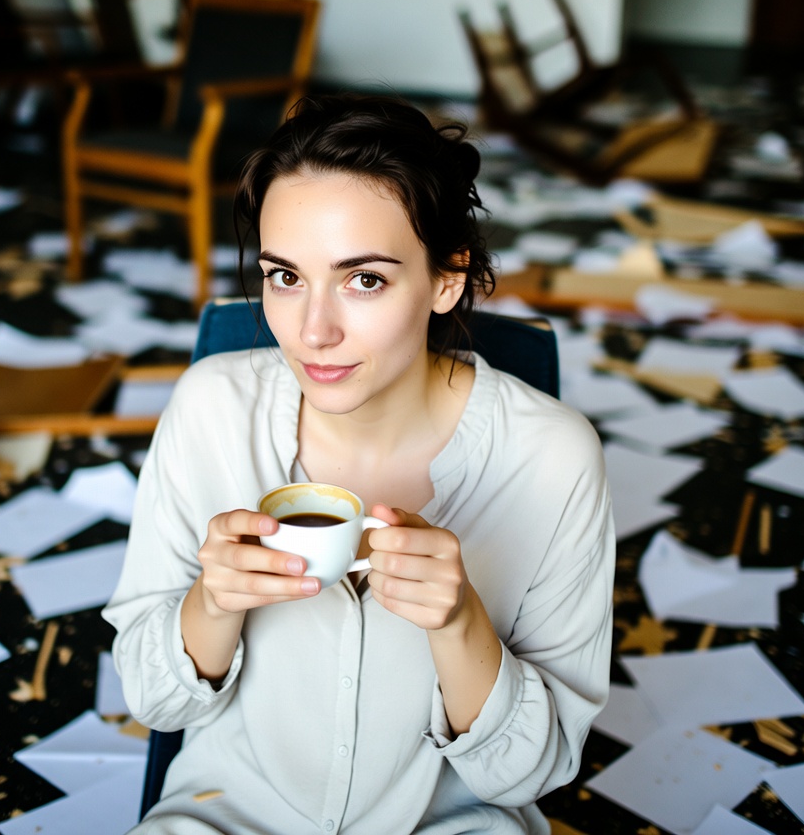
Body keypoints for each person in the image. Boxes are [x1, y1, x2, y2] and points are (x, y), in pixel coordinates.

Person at [103, 94, 615, 835]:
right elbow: (156, 702)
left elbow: (530, 774)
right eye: (285, 277)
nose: (313, 331)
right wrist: (212, 604)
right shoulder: (210, 409)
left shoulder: (552, 458)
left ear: (447, 279)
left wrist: (460, 623)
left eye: (363, 279)